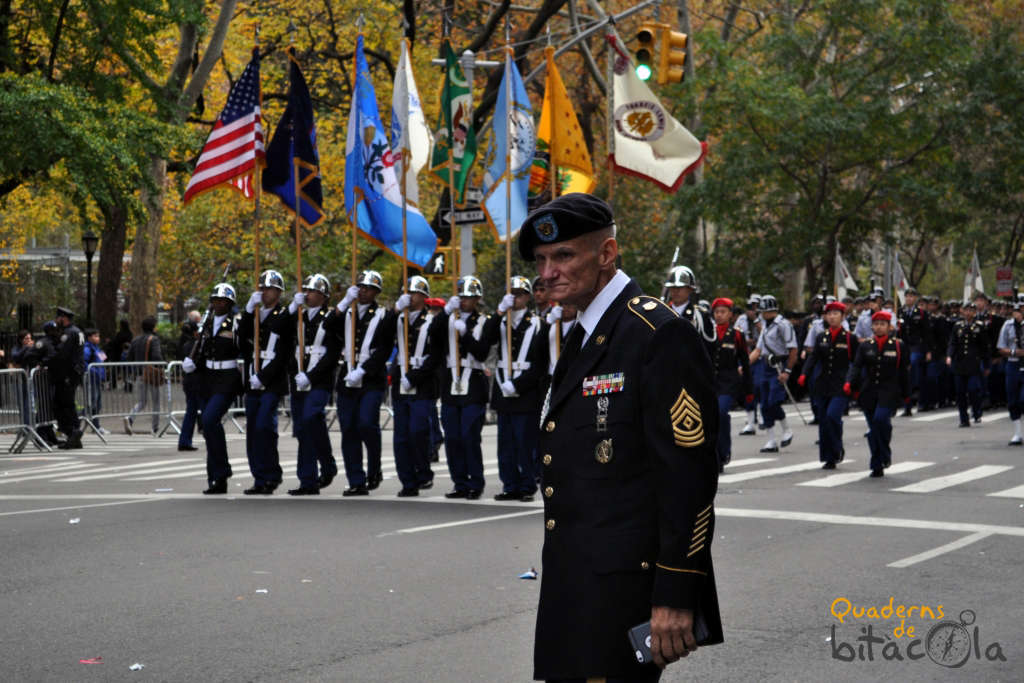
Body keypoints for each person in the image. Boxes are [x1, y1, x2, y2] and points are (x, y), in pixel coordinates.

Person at [519, 193, 722, 681]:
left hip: (622, 591)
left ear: (606, 254)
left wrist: (676, 594)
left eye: (564, 255)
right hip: (576, 581)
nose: (547, 272)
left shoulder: (655, 334)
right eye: (542, 260)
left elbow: (689, 480)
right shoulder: (588, 330)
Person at [478, 276, 549, 502]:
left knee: (524, 442)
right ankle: (509, 485)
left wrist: (517, 384)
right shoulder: (500, 320)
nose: (515, 297)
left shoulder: (539, 324)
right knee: (505, 443)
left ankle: (527, 485)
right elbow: (484, 343)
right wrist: (499, 311)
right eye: (512, 293)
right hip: (502, 385)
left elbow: (539, 365)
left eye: (519, 294)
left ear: (527, 297)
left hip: (525, 390)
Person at [335, 271, 397, 496]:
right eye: (360, 286)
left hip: (370, 378)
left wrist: (363, 370)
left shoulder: (382, 315)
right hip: (347, 377)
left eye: (368, 287)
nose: (363, 290)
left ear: (376, 292)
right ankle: (356, 480)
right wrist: (342, 303)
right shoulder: (347, 312)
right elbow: (327, 327)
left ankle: (374, 468)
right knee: (349, 429)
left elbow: (384, 349)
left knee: (366, 423)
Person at [431, 276, 493, 500]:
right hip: (451, 381)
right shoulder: (448, 318)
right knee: (453, 438)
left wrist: (464, 335)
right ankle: (459, 483)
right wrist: (446, 311)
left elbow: (482, 352)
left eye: (469, 296)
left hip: (473, 381)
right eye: (461, 295)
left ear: (477, 299)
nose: (464, 300)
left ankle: (475, 482)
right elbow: (432, 333)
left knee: (469, 436)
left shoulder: (484, 322)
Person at [238, 270, 293, 495]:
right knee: (253, 429)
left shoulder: (284, 315)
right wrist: (248, 310)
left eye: (270, 288)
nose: (265, 292)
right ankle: (259, 477)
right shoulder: (255, 314)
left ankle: (272, 474)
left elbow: (285, 353)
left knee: (264, 426)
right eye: (262, 287)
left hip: (272, 379)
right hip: (253, 377)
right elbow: (240, 336)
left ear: (279, 292)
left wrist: (264, 377)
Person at [183, 283, 242, 494]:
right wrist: (192, 365)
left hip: (227, 378)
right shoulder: (206, 324)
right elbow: (203, 354)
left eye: (222, 300)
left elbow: (243, 350)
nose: (217, 303)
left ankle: (222, 470)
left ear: (230, 303)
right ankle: (216, 479)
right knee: (209, 430)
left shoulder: (236, 323)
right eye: (214, 299)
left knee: (209, 420)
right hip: (207, 379)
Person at [288, 274, 343, 496]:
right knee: (302, 430)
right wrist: (292, 306)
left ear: (322, 295)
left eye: (310, 291)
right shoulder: (297, 316)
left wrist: (311, 376)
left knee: (312, 417)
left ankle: (327, 464)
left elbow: (332, 354)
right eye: (305, 290)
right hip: (298, 380)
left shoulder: (329, 318)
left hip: (319, 380)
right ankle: (307, 481)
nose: (306, 294)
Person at [391, 275, 441, 496]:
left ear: (423, 296)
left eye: (413, 292)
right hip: (400, 383)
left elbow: (435, 356)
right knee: (401, 436)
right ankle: (408, 481)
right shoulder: (397, 319)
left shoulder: (431, 321)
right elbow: (381, 334)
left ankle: (423, 471)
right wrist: (394, 311)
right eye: (407, 292)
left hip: (422, 383)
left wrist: (416, 376)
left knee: (418, 430)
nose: (409, 296)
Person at [846, 310, 910, 477]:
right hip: (869, 391)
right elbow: (857, 366)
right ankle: (877, 463)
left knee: (881, 420)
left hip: (889, 390)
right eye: (876, 324)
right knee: (873, 428)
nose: (879, 327)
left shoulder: (897, 345)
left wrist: (907, 393)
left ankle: (884, 454)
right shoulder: (865, 345)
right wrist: (849, 382)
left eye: (882, 324)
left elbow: (904, 371)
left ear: (889, 327)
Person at [800, 301, 854, 469]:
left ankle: (837, 447)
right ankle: (828, 457)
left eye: (835, 313)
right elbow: (813, 357)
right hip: (822, 383)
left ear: (843, 316)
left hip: (841, 384)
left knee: (832, 417)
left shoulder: (849, 337)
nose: (831, 316)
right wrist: (804, 374)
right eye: (829, 314)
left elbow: (856, 363)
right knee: (823, 421)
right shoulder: (821, 336)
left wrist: (853, 383)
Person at [747, 295, 797, 452]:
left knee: (774, 401)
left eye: (765, 311)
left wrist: (787, 371)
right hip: (766, 367)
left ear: (773, 311)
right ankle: (771, 440)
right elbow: (758, 349)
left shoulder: (783, 325)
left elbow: (793, 349)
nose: (762, 314)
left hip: (779, 365)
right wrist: (745, 365)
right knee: (764, 404)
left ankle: (787, 429)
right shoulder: (765, 326)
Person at [710, 298, 752, 473]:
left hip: (728, 383)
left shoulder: (736, 334)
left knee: (720, 412)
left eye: (723, 312)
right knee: (710, 418)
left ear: (730, 314)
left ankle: (724, 452)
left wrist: (749, 391)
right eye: (716, 312)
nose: (719, 315)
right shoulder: (708, 332)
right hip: (710, 382)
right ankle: (714, 457)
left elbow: (745, 362)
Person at [45, 307, 86, 450]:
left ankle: (73, 432)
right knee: (68, 405)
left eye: (57, 318)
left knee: (59, 405)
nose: (56, 321)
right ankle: (74, 437)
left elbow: (61, 354)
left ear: (63, 318)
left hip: (67, 373)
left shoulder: (68, 333)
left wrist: (44, 361)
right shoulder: (77, 331)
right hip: (73, 372)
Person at [947, 300, 989, 427]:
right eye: (966, 310)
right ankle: (963, 418)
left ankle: (976, 412)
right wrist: (949, 356)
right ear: (963, 312)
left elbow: (984, 348)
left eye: (971, 310)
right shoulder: (958, 326)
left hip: (973, 363)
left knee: (973, 389)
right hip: (960, 363)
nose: (968, 313)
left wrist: (986, 365)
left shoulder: (980, 326)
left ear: (975, 312)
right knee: (960, 392)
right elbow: (952, 343)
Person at [664, 265, 716, 357]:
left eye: (680, 287)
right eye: (672, 287)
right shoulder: (662, 313)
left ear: (690, 289)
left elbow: (709, 349)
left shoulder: (701, 317)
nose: (675, 290)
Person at [125, 315, 163, 435]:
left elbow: (129, 357)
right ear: (153, 327)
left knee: (142, 401)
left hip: (140, 374)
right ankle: (155, 428)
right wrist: (163, 365)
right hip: (152, 374)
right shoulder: (154, 339)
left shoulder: (135, 340)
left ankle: (130, 418)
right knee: (156, 402)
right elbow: (156, 355)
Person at [997, 295, 1024, 445]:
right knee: (1013, 400)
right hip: (1013, 365)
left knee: (1023, 398)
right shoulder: (1008, 325)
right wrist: (1013, 352)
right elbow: (1001, 347)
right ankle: (1017, 434)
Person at [735, 294, 762, 434]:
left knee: (758, 385)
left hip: (759, 357)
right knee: (747, 388)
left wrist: (756, 320)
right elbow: (735, 335)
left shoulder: (763, 318)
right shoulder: (741, 319)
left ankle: (762, 415)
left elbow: (765, 335)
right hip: (745, 356)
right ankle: (751, 421)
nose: (751, 310)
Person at [177, 321, 201, 451]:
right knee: (207, 412)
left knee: (190, 412)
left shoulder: (186, 345)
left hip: (189, 382)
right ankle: (212, 440)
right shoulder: (199, 345)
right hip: (198, 382)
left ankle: (184, 440)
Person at [82, 328, 108, 434]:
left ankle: (96, 426)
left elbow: (103, 360)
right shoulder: (87, 348)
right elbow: (84, 363)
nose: (98, 338)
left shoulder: (97, 348)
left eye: (98, 336)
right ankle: (76, 421)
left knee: (97, 404)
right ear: (89, 338)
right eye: (95, 336)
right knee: (91, 403)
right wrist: (95, 372)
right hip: (91, 380)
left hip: (97, 380)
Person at [105, 318, 132, 390]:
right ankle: (128, 384)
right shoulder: (129, 333)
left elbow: (116, 343)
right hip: (126, 354)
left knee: (116, 370)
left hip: (118, 355)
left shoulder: (121, 334)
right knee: (125, 371)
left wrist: (109, 343)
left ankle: (113, 384)